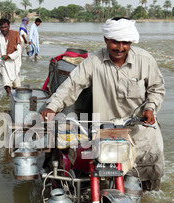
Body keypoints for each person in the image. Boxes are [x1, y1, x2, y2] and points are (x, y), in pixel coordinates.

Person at [40, 17, 166, 191]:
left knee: (149, 179)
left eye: (125, 43)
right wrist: (51, 107)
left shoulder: (145, 60)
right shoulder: (94, 62)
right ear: (106, 40)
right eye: (115, 42)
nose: (120, 48)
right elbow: (71, 86)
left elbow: (157, 89)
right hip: (108, 132)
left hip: (141, 131)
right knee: (105, 180)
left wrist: (150, 108)